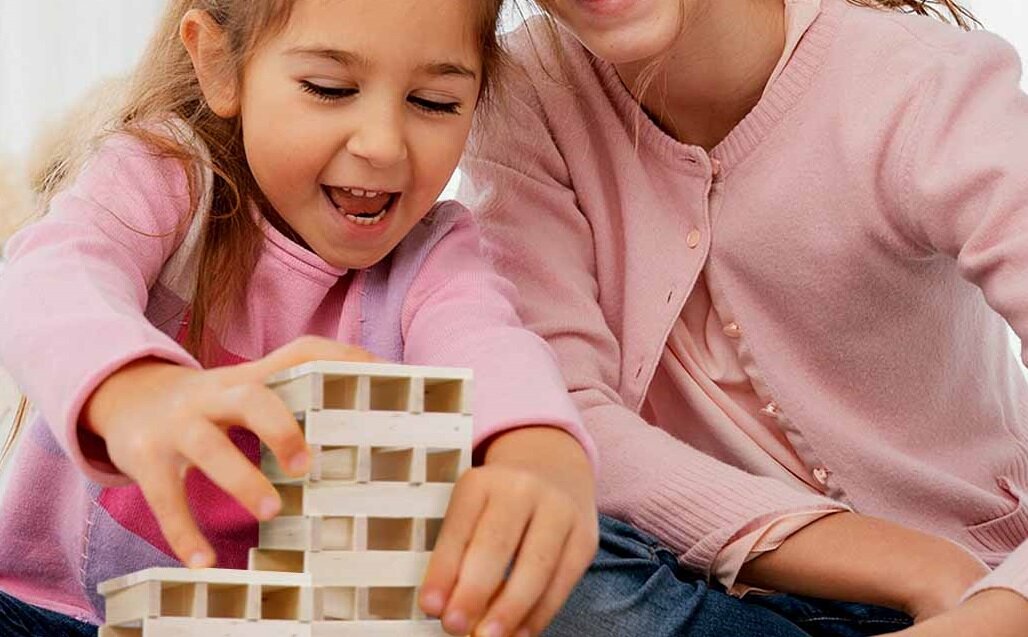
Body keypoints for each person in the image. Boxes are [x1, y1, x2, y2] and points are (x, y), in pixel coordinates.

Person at [0, 1, 600, 636]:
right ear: (219, 66)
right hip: (48, 610)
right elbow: (48, 275)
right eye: (330, 88)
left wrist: (540, 450)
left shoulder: (433, 257)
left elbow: (490, 343)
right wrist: (136, 388)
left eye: (433, 102)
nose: (382, 145)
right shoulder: (164, 174)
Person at [459, 0, 1028, 634]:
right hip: (704, 585)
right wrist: (918, 568)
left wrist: (999, 605)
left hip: (982, 585)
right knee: (496, 546)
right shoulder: (529, 87)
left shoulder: (925, 84)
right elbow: (563, 412)